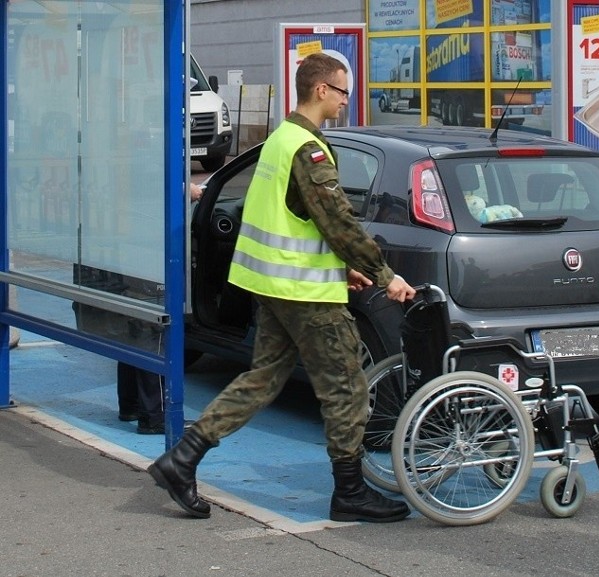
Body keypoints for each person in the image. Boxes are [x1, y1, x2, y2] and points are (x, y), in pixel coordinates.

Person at [147, 52, 416, 523]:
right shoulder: (309, 149)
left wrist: (340, 268)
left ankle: (182, 458)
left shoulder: (279, 139)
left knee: (263, 378)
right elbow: (336, 220)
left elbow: (293, 220)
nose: (345, 101)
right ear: (321, 90)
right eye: (343, 92)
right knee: (348, 387)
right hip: (305, 295)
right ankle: (350, 493)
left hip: (274, 286)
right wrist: (384, 275)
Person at [116, 181, 206, 435]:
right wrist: (186, 191)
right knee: (153, 333)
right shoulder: (156, 150)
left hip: (134, 246)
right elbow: (160, 183)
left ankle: (131, 404)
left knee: (135, 326)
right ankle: (156, 415)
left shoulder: (131, 150)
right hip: (152, 252)